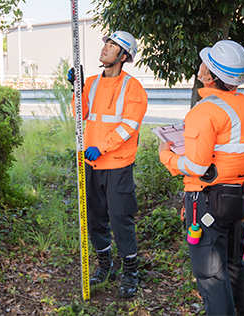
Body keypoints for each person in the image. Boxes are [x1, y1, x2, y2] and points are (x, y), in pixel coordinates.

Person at [158, 40, 244, 316]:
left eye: (204, 62)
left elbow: (196, 164)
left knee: (210, 276)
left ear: (210, 74)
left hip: (206, 203)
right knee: (234, 264)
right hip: (239, 200)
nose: (200, 66)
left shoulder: (204, 111)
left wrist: (166, 156)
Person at [68, 31, 148, 298]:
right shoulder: (90, 82)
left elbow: (129, 126)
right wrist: (75, 90)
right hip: (90, 164)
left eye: (113, 46)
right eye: (106, 44)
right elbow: (80, 116)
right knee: (94, 218)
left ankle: (130, 271)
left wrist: (101, 147)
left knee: (120, 219)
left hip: (116, 164)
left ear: (123, 56)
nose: (105, 49)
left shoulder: (132, 87)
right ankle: (106, 265)